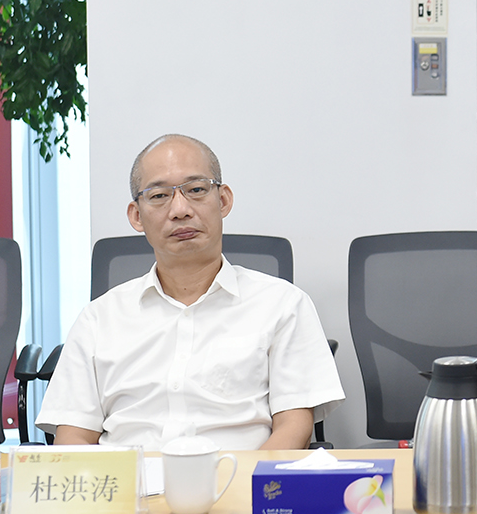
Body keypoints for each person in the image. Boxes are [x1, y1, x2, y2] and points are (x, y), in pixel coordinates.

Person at [37, 134, 345, 451]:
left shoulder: (283, 305)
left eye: (196, 190)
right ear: (136, 216)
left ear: (223, 200)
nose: (180, 210)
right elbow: (73, 438)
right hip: (128, 481)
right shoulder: (98, 319)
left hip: (238, 477)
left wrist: (243, 480)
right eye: (159, 195)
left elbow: (294, 428)